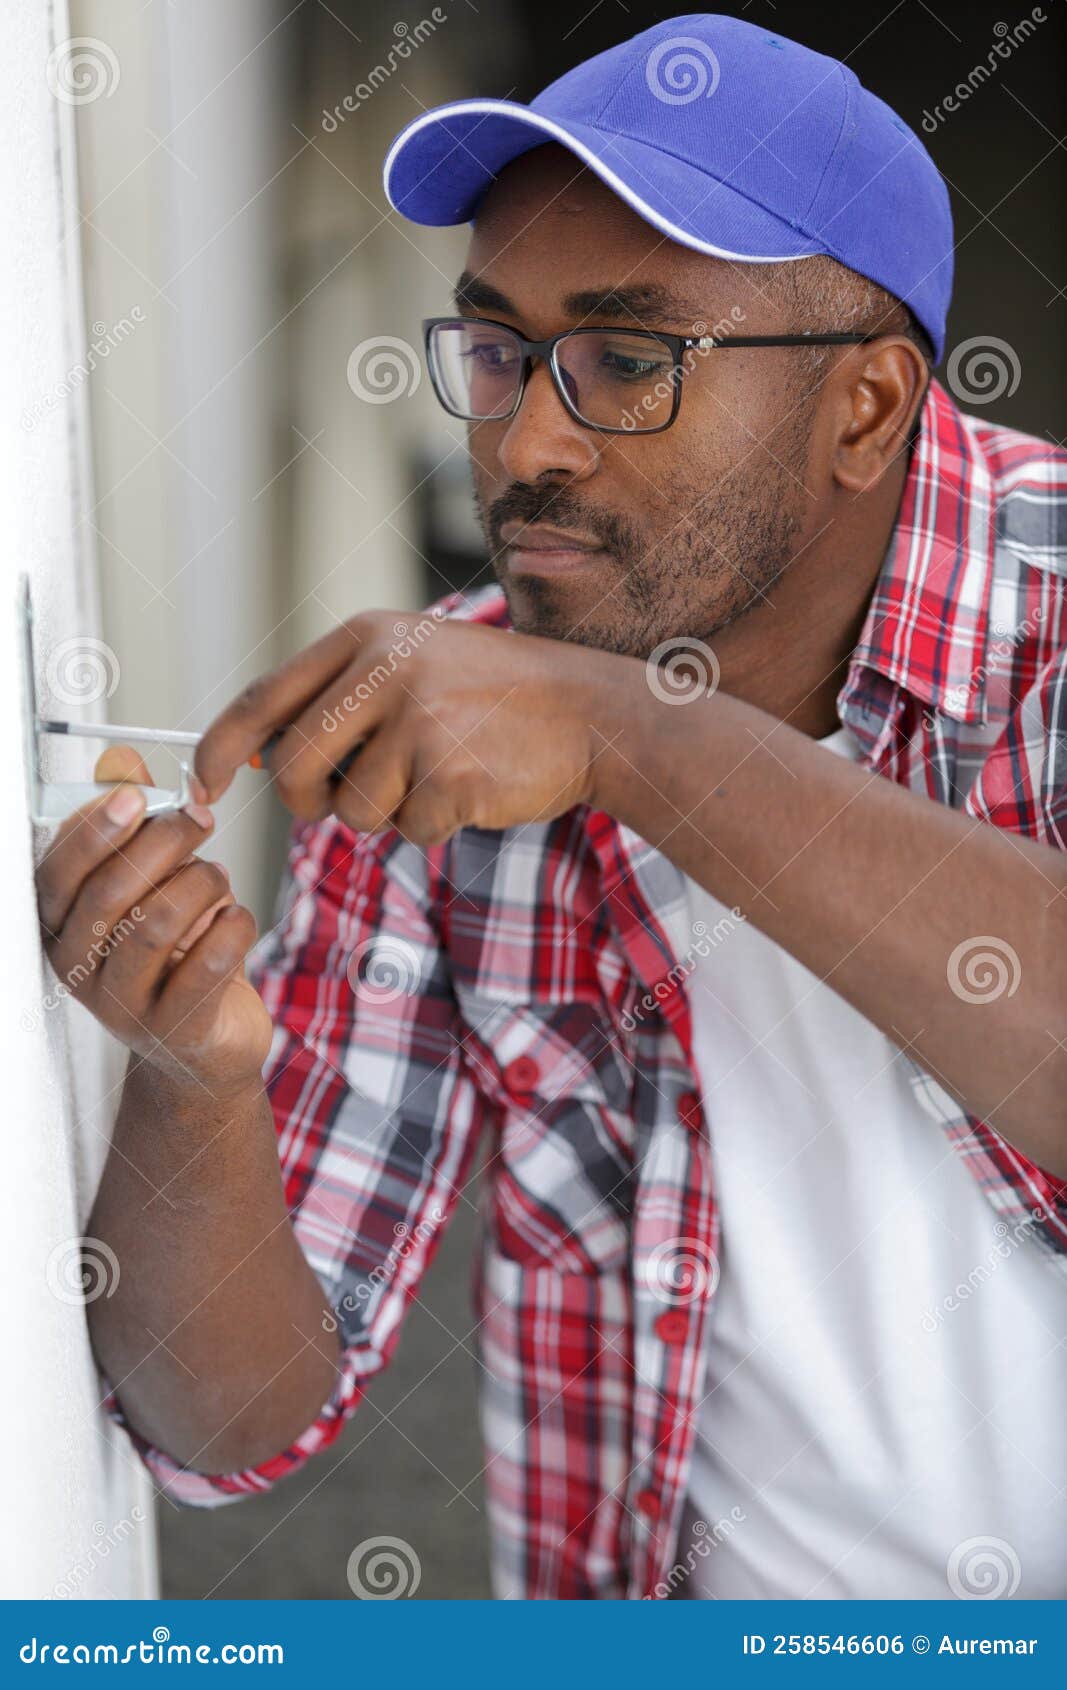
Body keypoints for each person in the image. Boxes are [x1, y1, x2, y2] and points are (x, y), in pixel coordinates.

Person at [36, 14, 1067, 1600]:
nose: (522, 443)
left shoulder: (1047, 609)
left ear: (867, 409)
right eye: (502, 349)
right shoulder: (457, 724)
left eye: (628, 361)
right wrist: (197, 1081)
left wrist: (632, 741)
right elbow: (225, 1425)